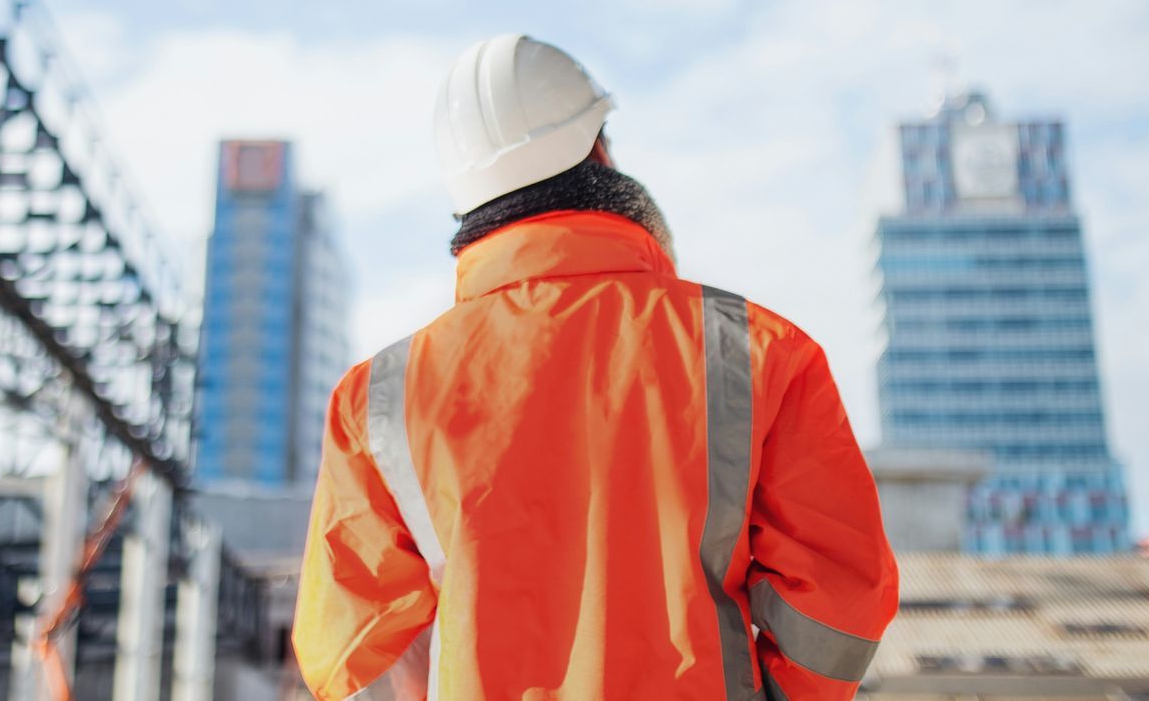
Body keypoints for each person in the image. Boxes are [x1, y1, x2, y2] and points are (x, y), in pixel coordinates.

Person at [293, 34, 898, 700]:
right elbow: (840, 598)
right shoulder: (756, 351)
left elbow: (354, 654)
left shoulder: (378, 399)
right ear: (601, 153)